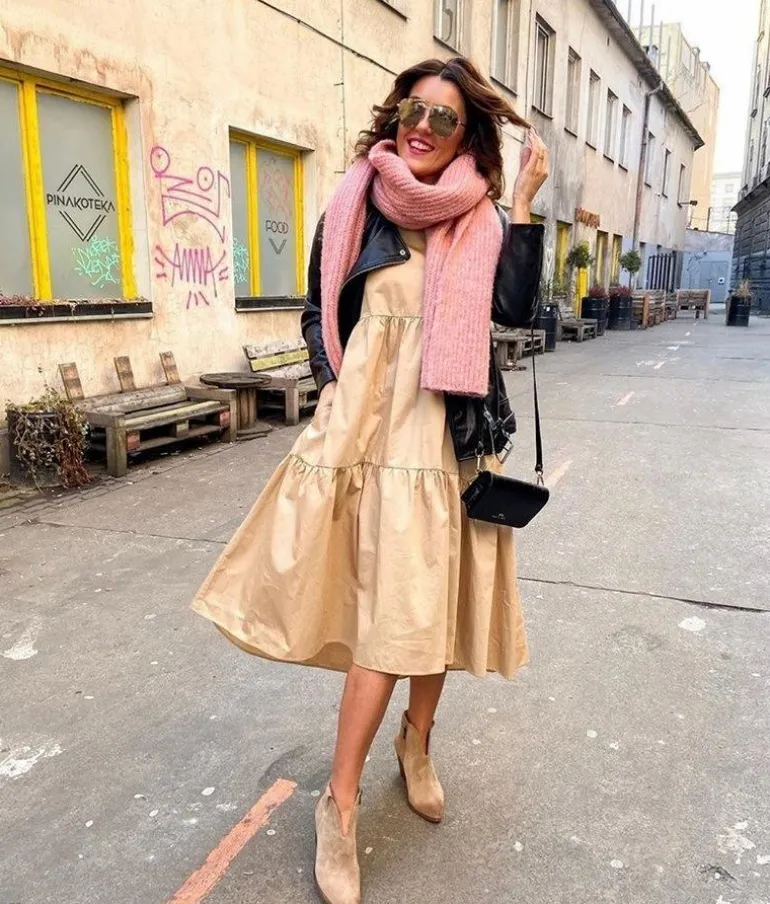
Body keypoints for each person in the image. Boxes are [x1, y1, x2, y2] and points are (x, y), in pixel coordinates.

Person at [192, 56, 548, 904]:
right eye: (412, 110)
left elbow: (513, 311)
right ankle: (340, 803)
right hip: (366, 438)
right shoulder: (358, 201)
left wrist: (526, 206)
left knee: (434, 609)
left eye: (444, 118)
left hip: (448, 440)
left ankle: (416, 743)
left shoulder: (482, 215)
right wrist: (329, 381)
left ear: (468, 136)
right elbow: (320, 310)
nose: (422, 127)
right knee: (389, 618)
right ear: (395, 117)